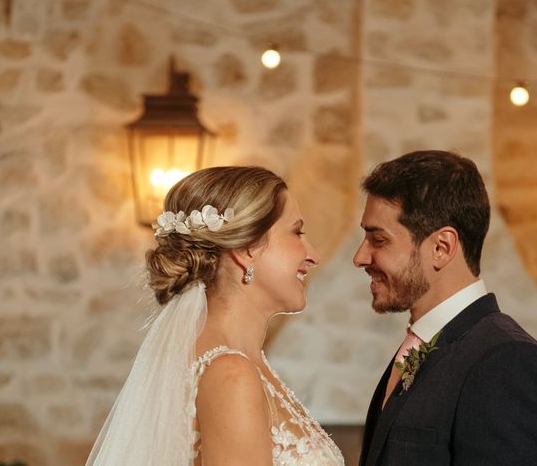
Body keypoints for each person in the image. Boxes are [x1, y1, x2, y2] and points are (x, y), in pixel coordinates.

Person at [86, 166, 344, 466]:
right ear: (247, 248)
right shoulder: (231, 375)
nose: (312, 254)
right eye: (297, 232)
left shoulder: (239, 364)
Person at [354, 150, 537, 465]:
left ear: (442, 248)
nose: (360, 257)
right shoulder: (425, 346)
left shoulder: (507, 363)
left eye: (378, 240)